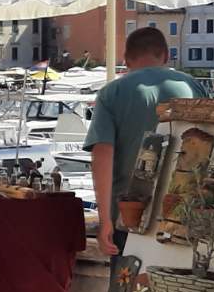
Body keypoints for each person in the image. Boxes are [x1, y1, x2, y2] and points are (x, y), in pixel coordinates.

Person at [85, 26, 206, 258]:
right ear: (166, 55)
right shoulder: (193, 86)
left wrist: (104, 221)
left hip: (130, 214)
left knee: (131, 290)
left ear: (126, 59)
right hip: (187, 213)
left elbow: (102, 155)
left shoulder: (113, 92)